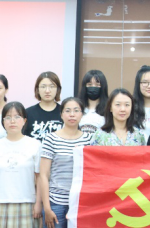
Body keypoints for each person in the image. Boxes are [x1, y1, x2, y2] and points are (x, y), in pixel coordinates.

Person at [0, 101, 42, 228]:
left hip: (27, 203)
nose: (12, 121)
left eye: (17, 117)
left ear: (24, 120)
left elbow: (40, 177)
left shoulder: (35, 145)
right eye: (8, 117)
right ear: (3, 122)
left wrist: (38, 203)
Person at [38, 97, 92, 228]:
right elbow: (43, 175)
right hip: (56, 203)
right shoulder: (51, 138)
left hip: (80, 203)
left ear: (82, 114)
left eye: (76, 110)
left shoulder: (89, 140)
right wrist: (47, 207)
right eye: (67, 111)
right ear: (61, 114)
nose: (72, 114)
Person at [24, 72, 63, 142]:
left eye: (52, 86)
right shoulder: (27, 113)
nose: (47, 91)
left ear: (58, 89)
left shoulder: (64, 113)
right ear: (37, 89)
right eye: (43, 87)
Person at [77, 69, 108, 136]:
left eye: (97, 85)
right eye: (89, 84)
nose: (93, 87)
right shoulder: (77, 108)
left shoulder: (109, 110)